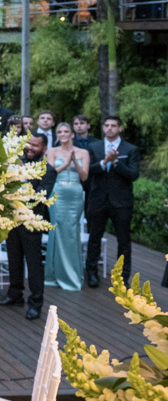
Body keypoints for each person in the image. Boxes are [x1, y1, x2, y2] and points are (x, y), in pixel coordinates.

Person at [0, 134, 56, 319]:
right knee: (13, 257)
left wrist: (23, 176)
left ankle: (36, 302)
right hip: (12, 218)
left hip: (32, 220)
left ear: (44, 149)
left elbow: (39, 196)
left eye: (36, 145)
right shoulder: (14, 163)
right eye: (29, 144)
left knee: (34, 263)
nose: (30, 148)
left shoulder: (49, 170)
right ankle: (15, 295)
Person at [86, 116, 139, 287]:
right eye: (106, 125)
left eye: (113, 126)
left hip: (121, 201)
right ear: (103, 128)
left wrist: (116, 162)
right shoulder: (93, 147)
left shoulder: (130, 149)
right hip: (98, 199)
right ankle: (92, 274)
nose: (109, 128)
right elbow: (88, 171)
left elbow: (133, 174)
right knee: (94, 238)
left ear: (120, 128)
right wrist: (104, 162)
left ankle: (122, 278)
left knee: (123, 241)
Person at [44, 122, 90, 291]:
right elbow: (51, 173)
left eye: (66, 132)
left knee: (71, 231)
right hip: (58, 193)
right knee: (57, 230)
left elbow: (84, 176)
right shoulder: (53, 151)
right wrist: (66, 163)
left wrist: (75, 162)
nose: (63, 134)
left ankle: (72, 276)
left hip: (75, 193)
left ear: (71, 134)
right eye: (60, 132)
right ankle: (53, 274)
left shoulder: (83, 152)